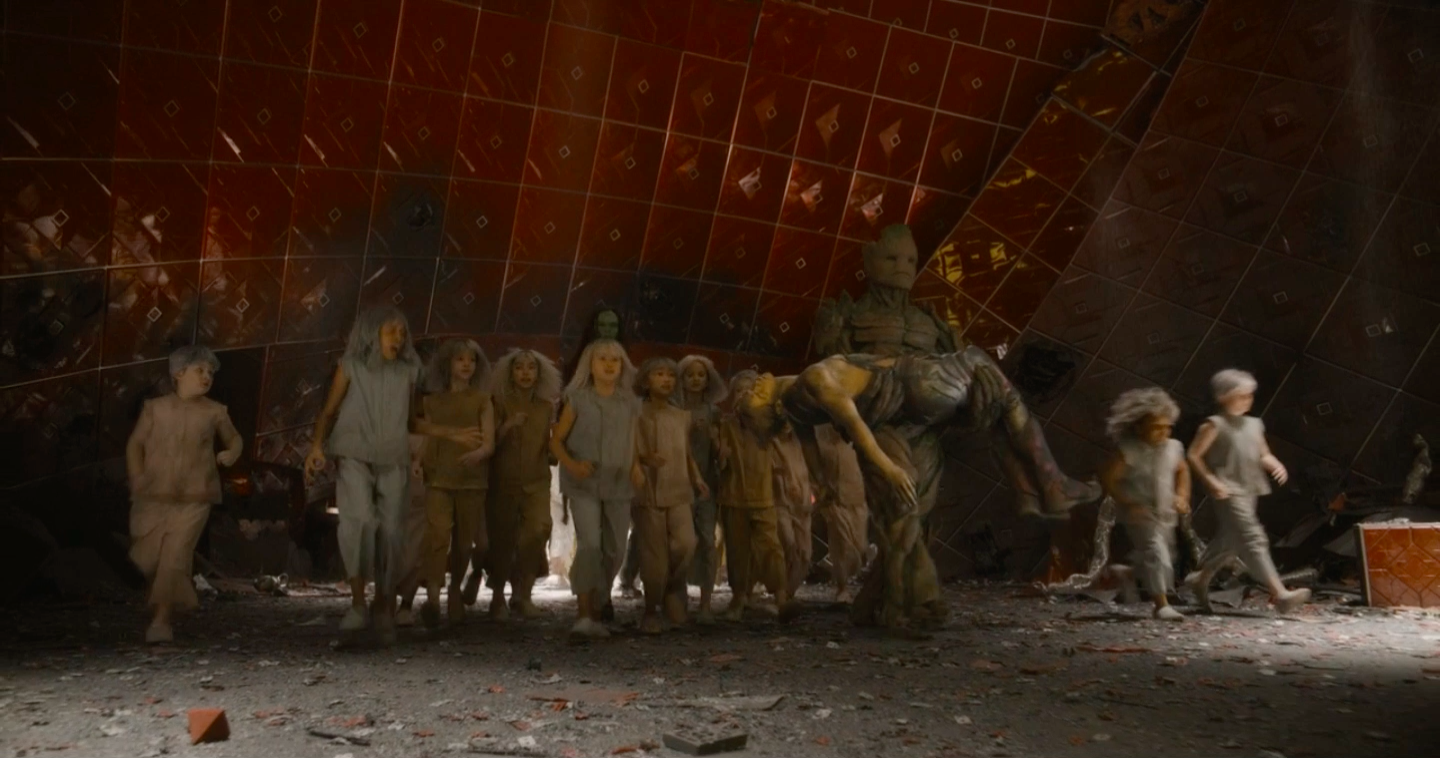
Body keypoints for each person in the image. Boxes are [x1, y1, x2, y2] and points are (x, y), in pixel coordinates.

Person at [303, 306, 484, 642]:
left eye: (402, 333)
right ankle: (358, 603)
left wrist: (451, 434)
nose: (398, 339)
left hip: (393, 456)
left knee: (392, 530)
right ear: (372, 333)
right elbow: (328, 412)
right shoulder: (351, 366)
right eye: (391, 332)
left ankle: (384, 603)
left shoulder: (409, 371)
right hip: (354, 452)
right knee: (360, 522)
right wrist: (316, 448)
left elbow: (412, 421)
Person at [126, 345, 244, 643]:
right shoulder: (155, 408)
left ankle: (161, 620)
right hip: (154, 494)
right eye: (199, 370)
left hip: (195, 496)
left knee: (175, 556)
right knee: (147, 557)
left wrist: (232, 452)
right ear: (178, 373)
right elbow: (135, 445)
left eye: (210, 373)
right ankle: (161, 598)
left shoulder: (215, 412)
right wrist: (137, 477)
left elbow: (234, 438)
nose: (207, 377)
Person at [1185, 370, 1310, 613]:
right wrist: (1210, 480)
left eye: (1249, 396)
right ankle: (1280, 594)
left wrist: (1274, 463)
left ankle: (1200, 579)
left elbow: (1263, 453)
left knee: (1230, 541)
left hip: (1250, 488)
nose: (1247, 401)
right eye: (1241, 396)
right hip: (1228, 490)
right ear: (1223, 397)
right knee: (1253, 537)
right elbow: (1193, 455)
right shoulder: (1214, 425)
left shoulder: (1254, 424)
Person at [550, 339, 644, 639]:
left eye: (615, 360)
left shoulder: (630, 403)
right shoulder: (577, 399)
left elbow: (633, 439)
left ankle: (600, 596)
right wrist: (572, 465)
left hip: (618, 481)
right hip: (584, 483)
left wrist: (636, 465)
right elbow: (556, 440)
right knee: (590, 543)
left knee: (615, 549)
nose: (609, 365)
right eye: (602, 359)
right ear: (589, 365)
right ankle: (584, 614)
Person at [415, 339, 495, 627]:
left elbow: (489, 442)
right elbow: (427, 435)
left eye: (471, 360)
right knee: (437, 536)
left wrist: (479, 454)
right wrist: (418, 460)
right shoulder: (433, 400)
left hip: (472, 480)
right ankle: (433, 598)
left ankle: (454, 591)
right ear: (447, 363)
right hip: (439, 476)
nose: (466, 365)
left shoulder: (482, 400)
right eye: (460, 359)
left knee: (463, 543)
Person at [483, 348, 562, 620]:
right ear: (510, 372)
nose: (525, 373)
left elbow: (549, 443)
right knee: (502, 539)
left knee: (539, 530)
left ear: (540, 373)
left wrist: (555, 450)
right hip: (503, 480)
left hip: (537, 479)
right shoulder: (498, 402)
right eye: (519, 367)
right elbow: (489, 441)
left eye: (531, 368)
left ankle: (523, 594)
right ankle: (498, 598)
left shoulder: (546, 406)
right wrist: (508, 425)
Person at [1099, 389, 1190, 621]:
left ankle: (1128, 573)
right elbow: (1109, 478)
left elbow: (1182, 470)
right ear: (1139, 427)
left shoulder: (1173, 447)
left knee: (1165, 556)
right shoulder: (1129, 450)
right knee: (1156, 552)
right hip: (1139, 511)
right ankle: (1161, 605)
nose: (1163, 432)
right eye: (1156, 427)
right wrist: (1129, 503)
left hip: (1165, 511)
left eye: (1167, 427)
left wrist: (1182, 495)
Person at [633, 357, 706, 633]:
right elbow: (630, 449)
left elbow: (686, 452)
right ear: (646, 380)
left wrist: (697, 477)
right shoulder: (637, 412)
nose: (666, 380)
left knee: (686, 543)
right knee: (654, 556)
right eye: (659, 374)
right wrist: (643, 460)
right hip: (649, 489)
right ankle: (651, 609)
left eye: (670, 375)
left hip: (679, 487)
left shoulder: (681, 415)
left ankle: (673, 589)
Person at [718, 373, 794, 622]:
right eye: (739, 391)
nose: (744, 395)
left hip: (763, 496)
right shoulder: (726, 424)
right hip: (733, 496)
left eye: (749, 391)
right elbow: (718, 457)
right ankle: (739, 596)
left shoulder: (766, 424)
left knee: (770, 546)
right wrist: (721, 453)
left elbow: (785, 430)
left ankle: (780, 595)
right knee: (737, 550)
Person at [677, 354, 726, 623]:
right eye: (690, 375)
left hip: (706, 484)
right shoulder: (673, 409)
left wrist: (715, 440)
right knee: (681, 542)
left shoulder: (713, 412)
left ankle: (706, 602)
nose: (695, 380)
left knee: (707, 540)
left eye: (700, 375)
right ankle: (679, 598)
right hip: (677, 484)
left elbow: (720, 452)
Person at [813, 424, 867, 603]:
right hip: (836, 503)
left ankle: (845, 576)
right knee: (842, 547)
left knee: (858, 547)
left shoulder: (857, 441)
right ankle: (842, 589)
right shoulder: (822, 444)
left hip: (857, 500)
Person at [770, 424, 813, 598]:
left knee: (805, 554)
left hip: (802, 506)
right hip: (781, 504)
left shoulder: (796, 445)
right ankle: (781, 592)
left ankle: (789, 592)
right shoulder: (771, 445)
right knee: (789, 546)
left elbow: (804, 472)